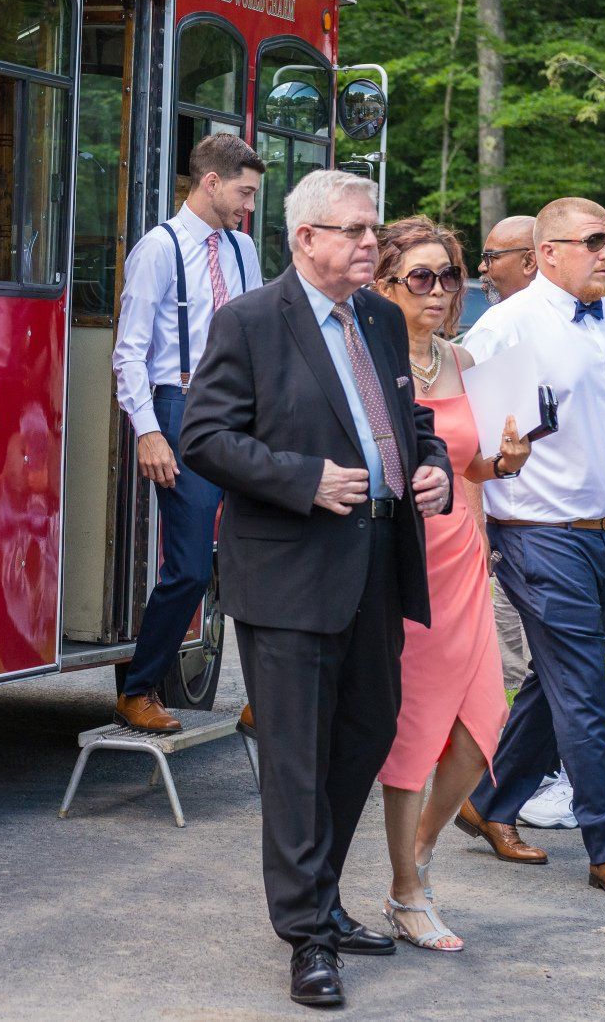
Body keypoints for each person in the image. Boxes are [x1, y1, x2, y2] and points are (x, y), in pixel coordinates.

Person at [180, 170, 452, 1008]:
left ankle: (323, 898)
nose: (373, 243)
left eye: (373, 230)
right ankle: (307, 939)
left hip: (375, 562)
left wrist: (432, 467)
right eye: (356, 231)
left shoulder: (376, 315)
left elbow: (408, 421)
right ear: (306, 239)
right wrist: (304, 478)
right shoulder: (252, 321)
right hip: (290, 573)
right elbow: (204, 435)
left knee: (362, 739)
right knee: (297, 763)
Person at [455, 197, 605, 899]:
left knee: (558, 681)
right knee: (583, 691)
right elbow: (470, 435)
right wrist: (479, 523)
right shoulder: (506, 327)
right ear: (547, 253)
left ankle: (485, 801)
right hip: (538, 532)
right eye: (593, 241)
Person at [369, 217, 530, 952]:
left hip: (464, 558)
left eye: (449, 277)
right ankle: (405, 891)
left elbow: (464, 465)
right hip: (402, 563)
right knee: (416, 730)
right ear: (384, 285)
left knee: (482, 726)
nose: (439, 292)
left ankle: (422, 851)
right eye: (421, 278)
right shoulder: (367, 361)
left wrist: (504, 462)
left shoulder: (463, 362)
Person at [109, 133, 265, 733]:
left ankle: (265, 696)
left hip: (242, 409)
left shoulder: (244, 248)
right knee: (192, 567)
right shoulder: (159, 248)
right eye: (243, 192)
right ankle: (138, 688)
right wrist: (149, 432)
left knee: (256, 559)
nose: (247, 206)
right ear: (211, 182)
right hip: (182, 408)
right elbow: (129, 354)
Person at [475, 212, 574, 830]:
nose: (485, 270)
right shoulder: (498, 330)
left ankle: (540, 777)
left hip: (549, 526)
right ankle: (515, 782)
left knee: (543, 661)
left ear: (533, 258)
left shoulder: (564, 328)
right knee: (532, 661)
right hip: (512, 522)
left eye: (494, 257)